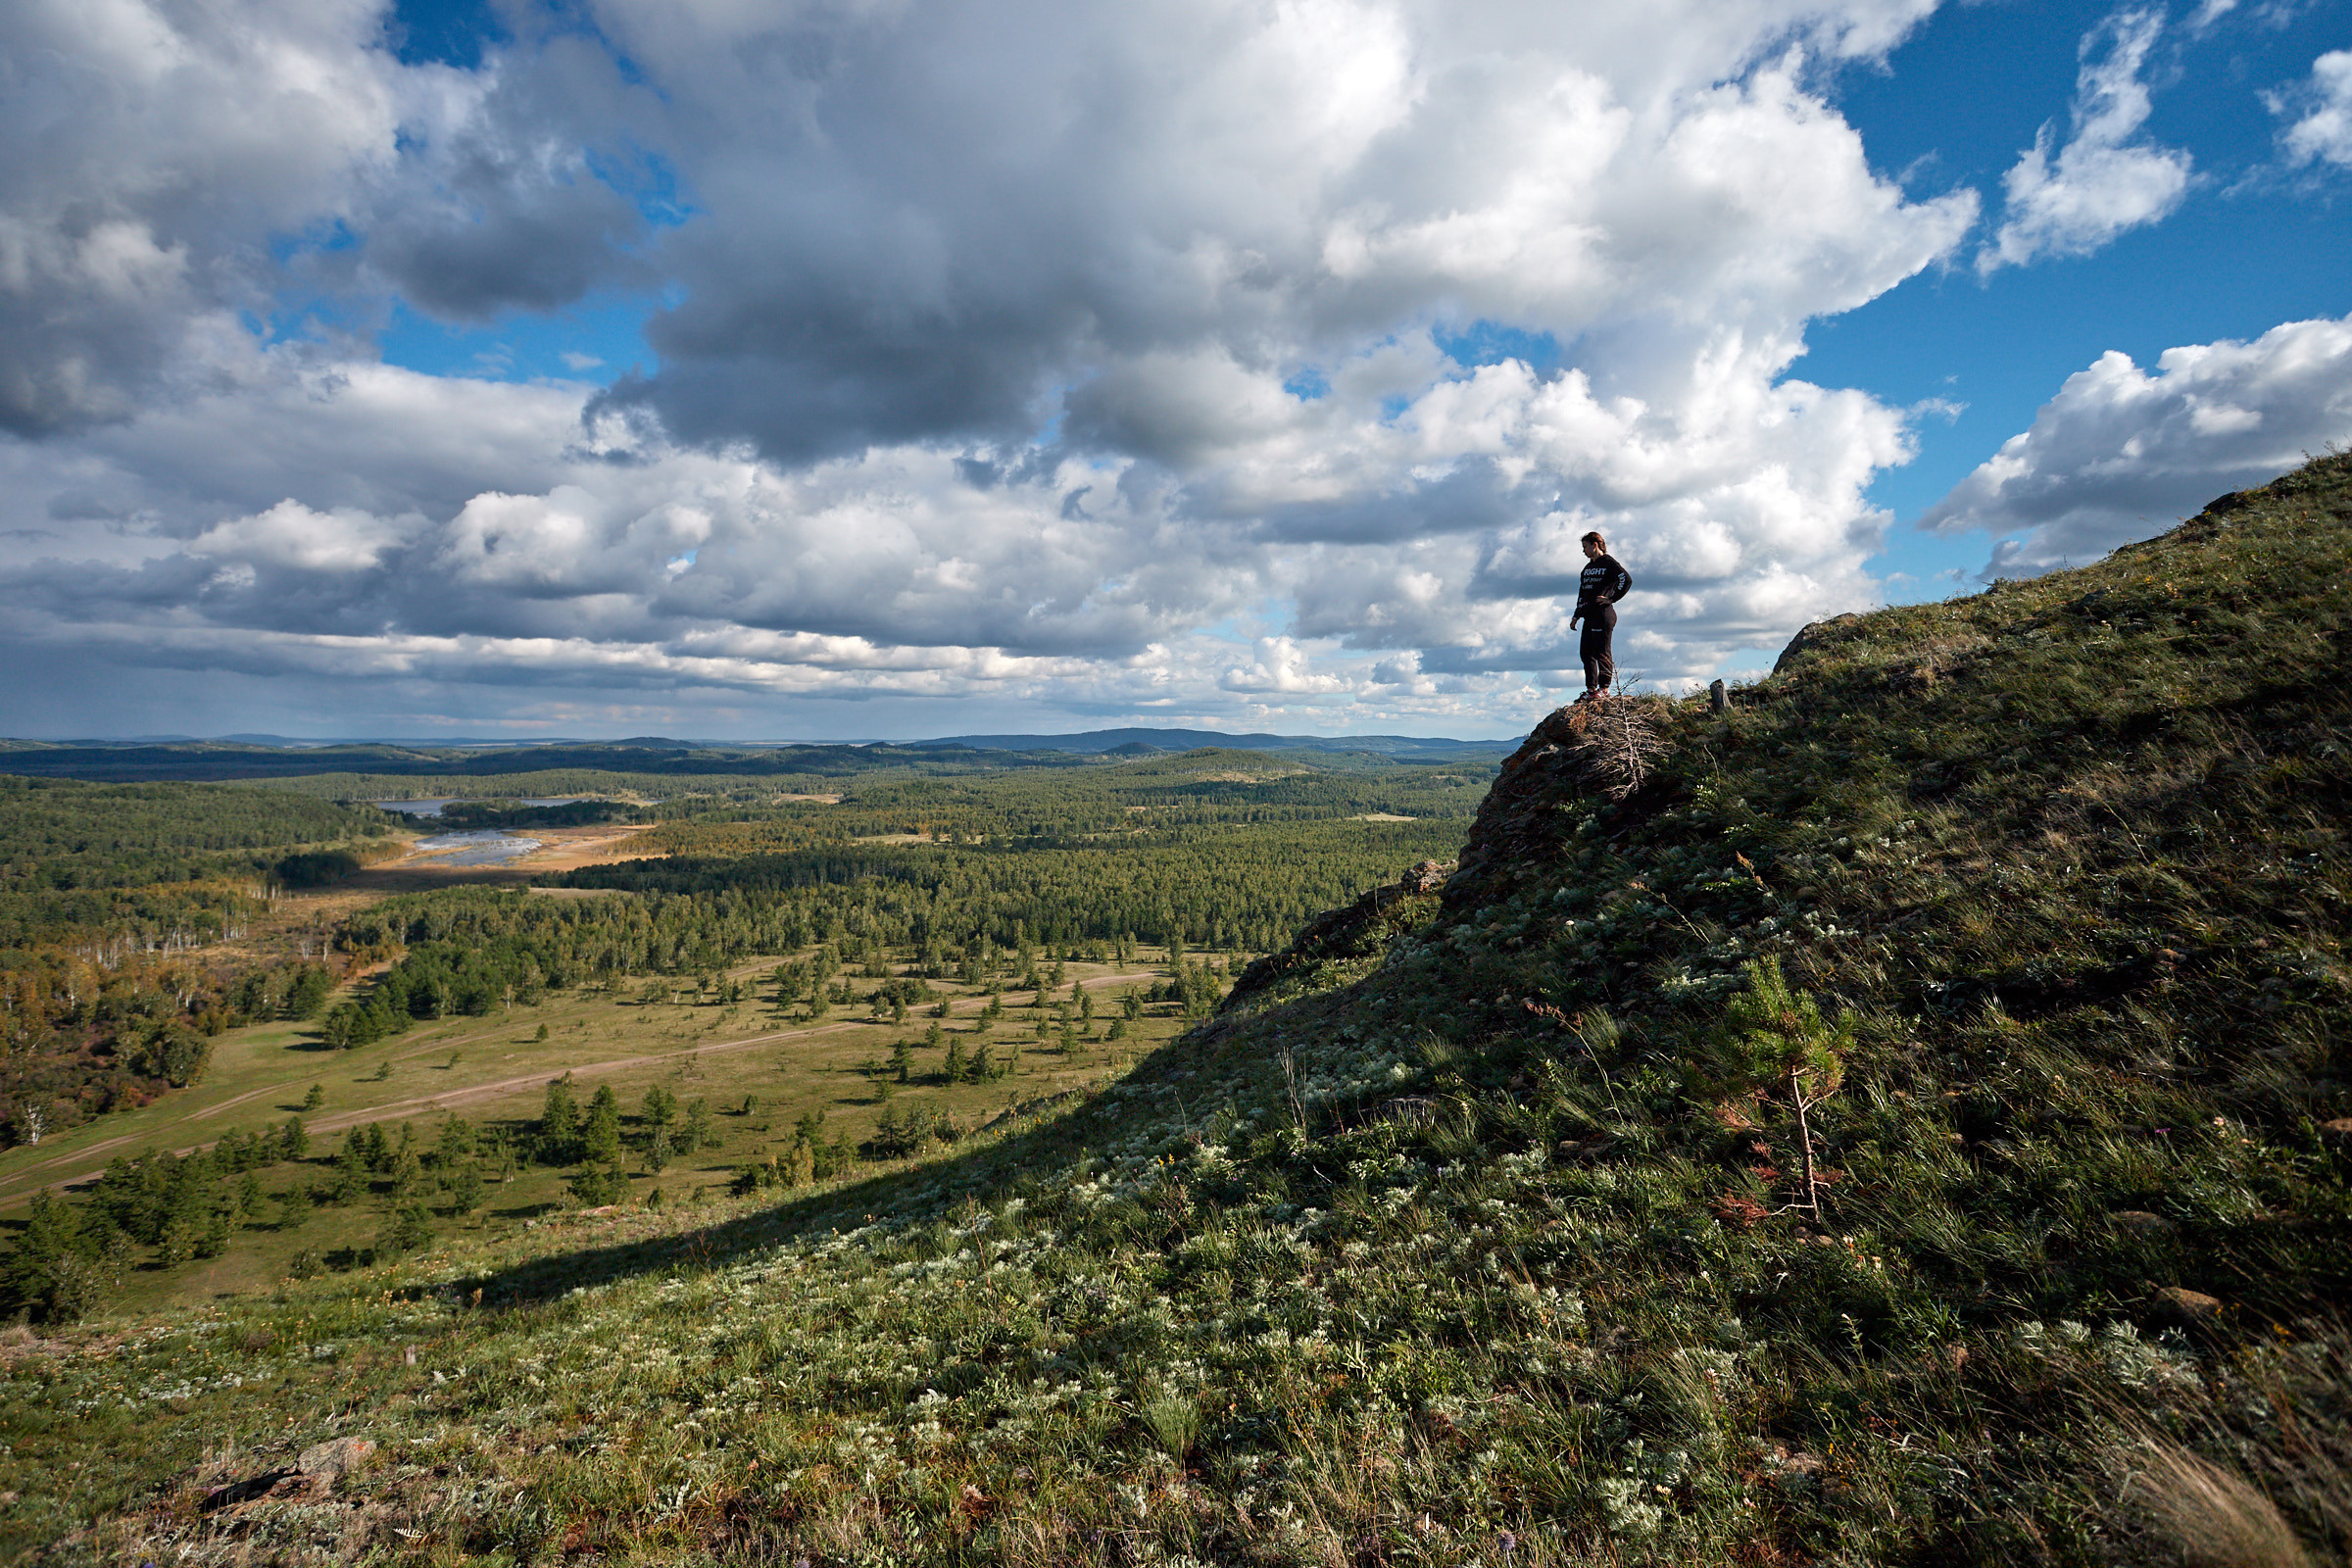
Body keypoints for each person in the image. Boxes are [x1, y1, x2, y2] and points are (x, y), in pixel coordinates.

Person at [1568, 531, 1632, 703]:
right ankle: (1591, 690)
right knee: (1586, 653)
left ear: (1594, 545)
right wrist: (1576, 616)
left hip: (1604, 614)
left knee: (1602, 651)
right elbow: (1583, 593)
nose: (1583, 551)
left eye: (1585, 547)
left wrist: (1612, 598)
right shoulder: (1587, 568)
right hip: (1589, 615)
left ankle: (1604, 689)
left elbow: (1626, 579)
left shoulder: (1609, 563)